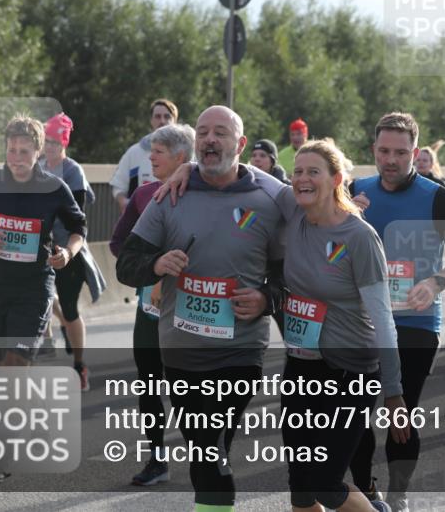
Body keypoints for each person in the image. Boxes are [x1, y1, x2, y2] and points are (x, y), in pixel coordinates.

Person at [116, 105, 291, 511]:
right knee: (204, 450)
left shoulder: (269, 199)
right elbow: (127, 264)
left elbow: (289, 277)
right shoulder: (169, 196)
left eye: (221, 133)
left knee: (209, 446)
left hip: (240, 350)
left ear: (240, 144)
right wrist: (157, 264)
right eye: (203, 133)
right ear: (196, 144)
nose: (211, 139)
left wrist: (266, 298)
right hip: (181, 350)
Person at [346, 113, 445, 511]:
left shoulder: (434, 195)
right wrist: (347, 215)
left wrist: (436, 282)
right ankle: (369, 493)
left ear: (415, 153)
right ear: (373, 151)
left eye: (400, 153)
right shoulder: (355, 190)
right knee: (357, 415)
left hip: (415, 321)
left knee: (400, 411)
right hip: (362, 321)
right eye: (384, 151)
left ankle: (399, 493)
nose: (391, 160)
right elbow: (325, 247)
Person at [0, 115, 87, 484]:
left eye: (24, 151)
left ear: (38, 151)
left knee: (14, 365)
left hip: (34, 287)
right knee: (5, 367)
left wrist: (68, 254)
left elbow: (79, 228)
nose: (16, 157)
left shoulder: (54, 187)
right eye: (11, 149)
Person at [281, 139, 405, 512]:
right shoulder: (294, 217)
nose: (303, 179)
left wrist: (394, 390)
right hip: (301, 366)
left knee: (324, 481)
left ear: (336, 179)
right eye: (297, 172)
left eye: (313, 172)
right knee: (301, 483)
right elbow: (244, 175)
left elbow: (383, 319)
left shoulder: (359, 237)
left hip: (350, 373)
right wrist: (187, 169)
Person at [109, 123, 194, 486]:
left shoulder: (203, 193)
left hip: (191, 310)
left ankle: (205, 457)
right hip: (150, 308)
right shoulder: (144, 194)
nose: (151, 157)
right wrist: (152, 268)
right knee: (148, 384)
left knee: (187, 388)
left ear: (180, 156)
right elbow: (118, 245)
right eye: (152, 150)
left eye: (158, 151)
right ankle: (157, 458)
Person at [38, 112, 104, 389]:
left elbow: (75, 218)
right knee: (42, 302)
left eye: (55, 142)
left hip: (68, 250)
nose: (50, 147)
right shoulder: (36, 166)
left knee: (69, 307)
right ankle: (60, 327)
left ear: (64, 143)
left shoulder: (72, 171)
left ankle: (79, 366)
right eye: (46, 141)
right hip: (40, 247)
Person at [110, 99, 178, 212]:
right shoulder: (134, 152)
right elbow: (118, 185)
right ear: (151, 120)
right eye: (157, 116)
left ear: (174, 121)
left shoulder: (185, 154)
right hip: (140, 222)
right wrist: (124, 203)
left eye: (167, 116)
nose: (162, 121)